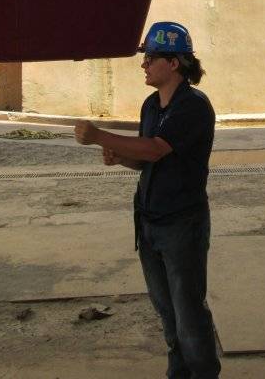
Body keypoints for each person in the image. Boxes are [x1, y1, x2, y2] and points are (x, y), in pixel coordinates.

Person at [74, 21, 220, 379]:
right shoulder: (151, 105)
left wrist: (98, 136)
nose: (144, 64)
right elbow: (144, 159)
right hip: (150, 221)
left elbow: (156, 149)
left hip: (182, 223)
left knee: (188, 314)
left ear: (174, 63)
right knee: (168, 313)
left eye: (151, 57)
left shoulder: (193, 106)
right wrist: (121, 156)